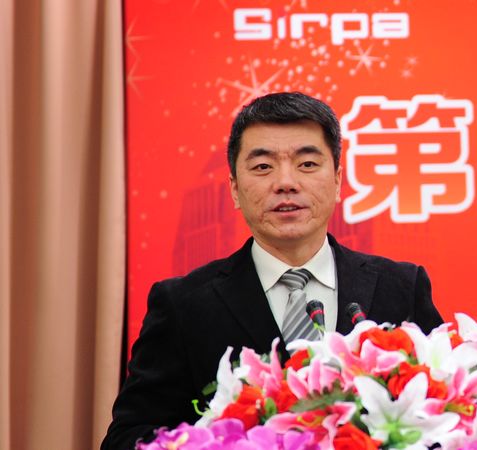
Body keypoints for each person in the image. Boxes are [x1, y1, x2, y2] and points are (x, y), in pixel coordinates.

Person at [101, 92, 443, 449]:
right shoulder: (183, 305)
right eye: (263, 167)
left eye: (307, 164)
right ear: (235, 188)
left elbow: (444, 412)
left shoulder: (401, 287)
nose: (286, 182)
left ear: (338, 180)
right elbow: (127, 437)